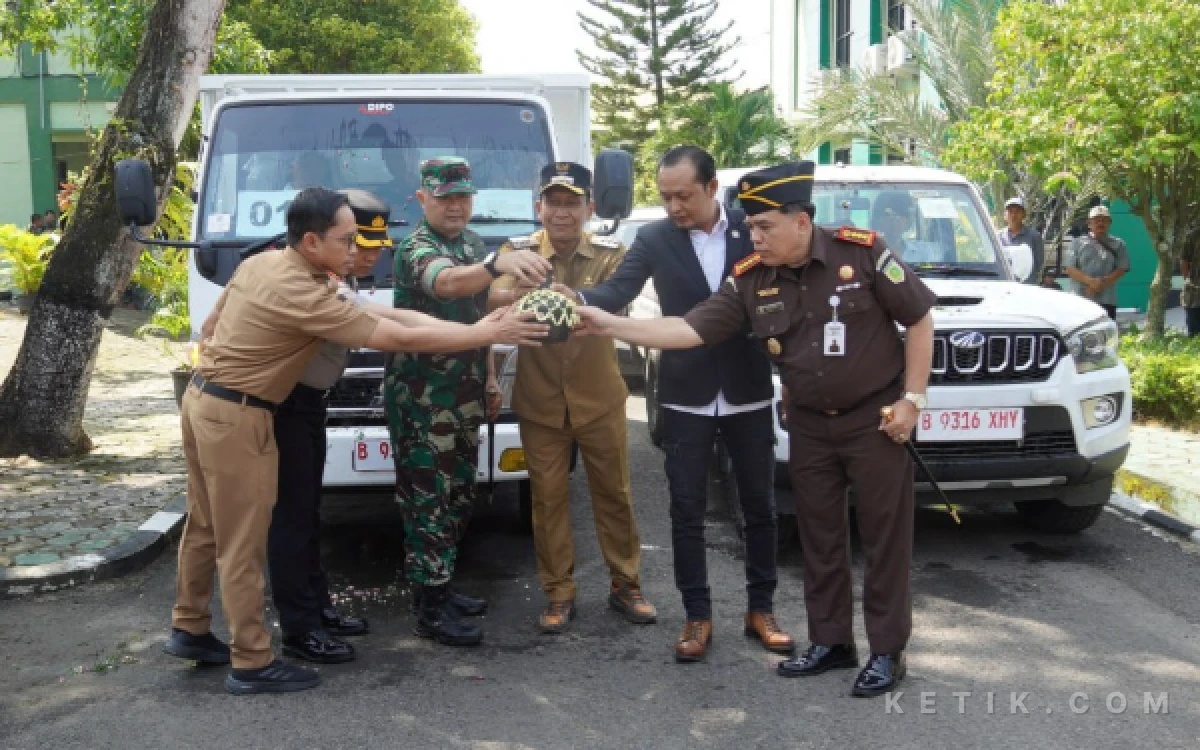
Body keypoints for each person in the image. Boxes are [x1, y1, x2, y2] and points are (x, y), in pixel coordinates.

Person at [165, 187, 547, 695]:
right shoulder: (299, 291)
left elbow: (393, 316)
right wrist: (482, 335)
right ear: (309, 240)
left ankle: (189, 628)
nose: (356, 250)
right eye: (345, 239)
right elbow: (397, 338)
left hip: (205, 402)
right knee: (242, 542)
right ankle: (251, 661)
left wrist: (477, 326)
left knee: (206, 525)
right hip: (240, 415)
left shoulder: (272, 266)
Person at [575, 161, 936, 697]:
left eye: (765, 226)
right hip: (810, 426)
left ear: (800, 220)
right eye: (752, 225)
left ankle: (887, 652)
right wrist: (606, 322)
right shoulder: (752, 278)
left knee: (883, 541)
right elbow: (688, 329)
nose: (754, 236)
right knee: (820, 537)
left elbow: (920, 317)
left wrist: (912, 399)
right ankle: (832, 642)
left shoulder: (861, 251)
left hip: (874, 422)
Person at [573, 145, 789, 662]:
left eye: (684, 195)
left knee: (759, 506)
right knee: (686, 510)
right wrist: (577, 299)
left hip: (748, 390)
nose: (674, 206)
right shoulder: (654, 237)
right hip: (686, 396)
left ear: (712, 189)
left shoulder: (752, 228)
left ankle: (762, 608)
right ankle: (697, 616)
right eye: (666, 196)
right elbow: (619, 288)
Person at [386, 157, 553, 648]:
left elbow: (480, 309)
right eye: (444, 196)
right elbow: (446, 284)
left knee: (460, 496)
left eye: (462, 196)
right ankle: (428, 607)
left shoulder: (472, 244)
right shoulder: (416, 247)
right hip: (421, 399)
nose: (455, 205)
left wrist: (523, 296)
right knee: (426, 502)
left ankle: (444, 585)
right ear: (422, 199)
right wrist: (494, 265)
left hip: (463, 393)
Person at [487, 162, 652, 634]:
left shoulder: (610, 253)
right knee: (548, 498)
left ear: (589, 208)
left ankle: (627, 585)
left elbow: (619, 298)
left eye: (572, 203)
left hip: (598, 398)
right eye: (553, 202)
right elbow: (492, 298)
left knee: (614, 494)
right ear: (538, 208)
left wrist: (576, 297)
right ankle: (558, 593)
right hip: (540, 401)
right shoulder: (514, 253)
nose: (562, 213)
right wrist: (514, 285)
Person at [1064, 205, 1130, 319]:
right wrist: (1091, 282)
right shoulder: (1077, 243)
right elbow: (1070, 269)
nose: (1101, 223)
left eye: (1104, 220)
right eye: (1097, 220)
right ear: (1089, 223)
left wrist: (1100, 284)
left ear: (1109, 223)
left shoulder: (1119, 244)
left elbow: (1122, 268)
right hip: (1080, 299)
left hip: (1107, 300)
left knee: (1107, 335)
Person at [998, 197, 1045, 281]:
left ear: (1024, 215)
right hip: (1004, 285)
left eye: (1017, 211)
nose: (1013, 215)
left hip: (1026, 287)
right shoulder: (998, 237)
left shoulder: (1034, 237)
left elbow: (1039, 264)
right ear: (1005, 215)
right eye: (1010, 211)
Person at [1182, 232, 1200, 337]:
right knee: (1194, 332)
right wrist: (1188, 281)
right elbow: (1184, 261)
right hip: (1195, 291)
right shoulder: (1193, 236)